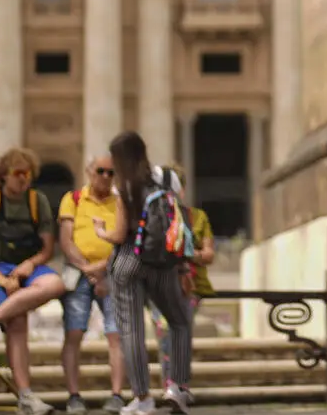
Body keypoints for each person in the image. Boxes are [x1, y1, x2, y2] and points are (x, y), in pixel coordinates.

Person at [93, 133, 193, 415]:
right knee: (179, 322)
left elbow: (120, 233)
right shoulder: (168, 178)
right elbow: (179, 221)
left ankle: (143, 398)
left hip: (128, 261)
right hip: (163, 261)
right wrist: (183, 266)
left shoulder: (122, 184)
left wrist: (101, 230)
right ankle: (178, 387)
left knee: (131, 331)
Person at [0, 147, 67, 415]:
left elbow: (47, 249)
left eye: (28, 174)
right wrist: (0, 278)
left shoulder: (37, 201)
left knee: (56, 284)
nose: (24, 179)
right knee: (18, 320)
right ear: (4, 175)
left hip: (24, 267)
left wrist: (29, 265)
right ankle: (26, 397)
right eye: (18, 173)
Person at [59, 155, 128, 414]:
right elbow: (66, 241)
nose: (106, 177)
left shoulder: (121, 202)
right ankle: (74, 395)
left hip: (112, 274)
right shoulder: (73, 199)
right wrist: (90, 270)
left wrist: (101, 270)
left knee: (116, 336)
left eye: (112, 172)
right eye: (101, 171)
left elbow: (124, 240)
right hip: (79, 274)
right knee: (74, 334)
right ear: (89, 171)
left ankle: (117, 395)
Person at [149, 169, 215, 407]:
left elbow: (208, 254)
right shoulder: (151, 215)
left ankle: (180, 385)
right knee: (165, 331)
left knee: (182, 333)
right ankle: (170, 385)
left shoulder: (197, 217)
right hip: (159, 285)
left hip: (190, 287)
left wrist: (183, 252)